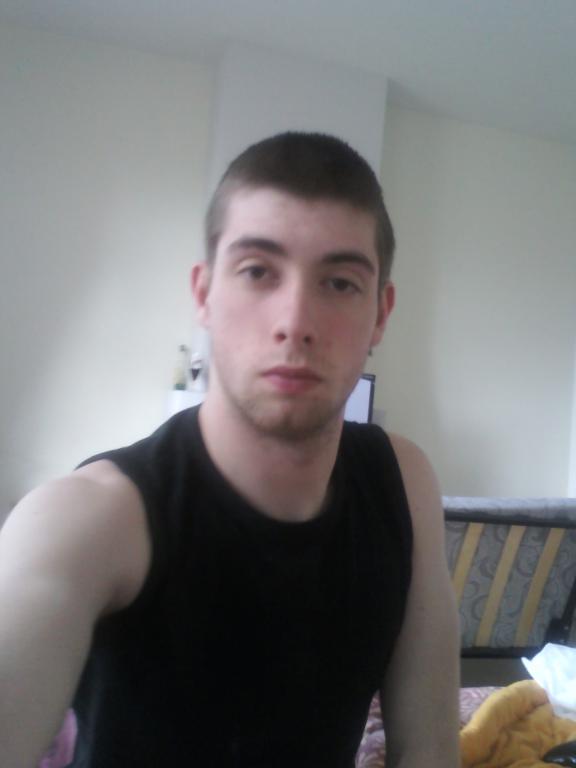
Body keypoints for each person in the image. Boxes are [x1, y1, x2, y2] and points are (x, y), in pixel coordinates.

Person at [0, 132, 460, 768]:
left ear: (381, 314)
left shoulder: (404, 482)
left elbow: (429, 749)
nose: (294, 322)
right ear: (204, 294)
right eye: (257, 271)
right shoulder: (90, 520)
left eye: (339, 283)